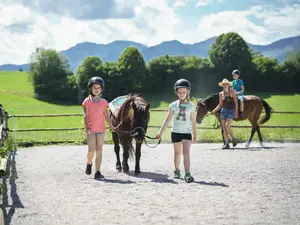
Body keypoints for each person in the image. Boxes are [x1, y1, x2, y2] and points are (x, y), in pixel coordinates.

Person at [156, 78, 196, 183]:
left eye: (183, 92)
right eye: (179, 92)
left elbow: (193, 121)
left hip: (187, 133)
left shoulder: (191, 106)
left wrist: (195, 135)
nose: (181, 94)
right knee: (177, 153)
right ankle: (177, 170)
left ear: (188, 92)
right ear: (176, 93)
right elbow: (167, 120)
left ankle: (187, 173)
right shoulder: (173, 105)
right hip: (176, 132)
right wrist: (160, 132)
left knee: (186, 153)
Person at [82, 77, 114, 179]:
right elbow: (85, 115)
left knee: (99, 149)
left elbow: (106, 115)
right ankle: (89, 162)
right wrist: (87, 128)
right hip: (91, 129)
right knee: (91, 149)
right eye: (94, 87)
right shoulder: (87, 102)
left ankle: (98, 171)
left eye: (98, 87)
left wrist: (111, 126)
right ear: (90, 89)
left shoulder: (104, 102)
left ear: (101, 89)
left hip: (101, 129)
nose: (96, 89)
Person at [212, 79, 238, 149]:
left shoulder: (232, 93)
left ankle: (233, 138)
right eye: (224, 84)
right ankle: (226, 144)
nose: (225, 85)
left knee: (227, 126)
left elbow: (236, 103)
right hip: (223, 111)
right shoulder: (221, 94)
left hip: (231, 111)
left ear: (228, 85)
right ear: (222, 85)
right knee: (224, 128)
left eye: (226, 84)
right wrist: (214, 110)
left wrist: (236, 111)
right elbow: (220, 104)